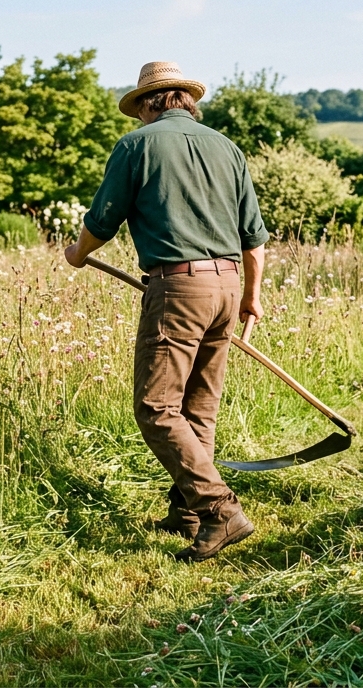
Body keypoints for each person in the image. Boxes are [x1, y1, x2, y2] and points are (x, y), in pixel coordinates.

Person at [63, 61, 268, 562]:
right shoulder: (228, 148)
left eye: (140, 109)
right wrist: (251, 296)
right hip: (227, 285)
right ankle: (189, 513)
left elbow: (104, 218)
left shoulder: (138, 146)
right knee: (199, 406)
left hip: (178, 288)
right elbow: (254, 238)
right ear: (186, 101)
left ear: (152, 104)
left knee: (156, 407)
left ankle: (219, 509)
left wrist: (78, 251)